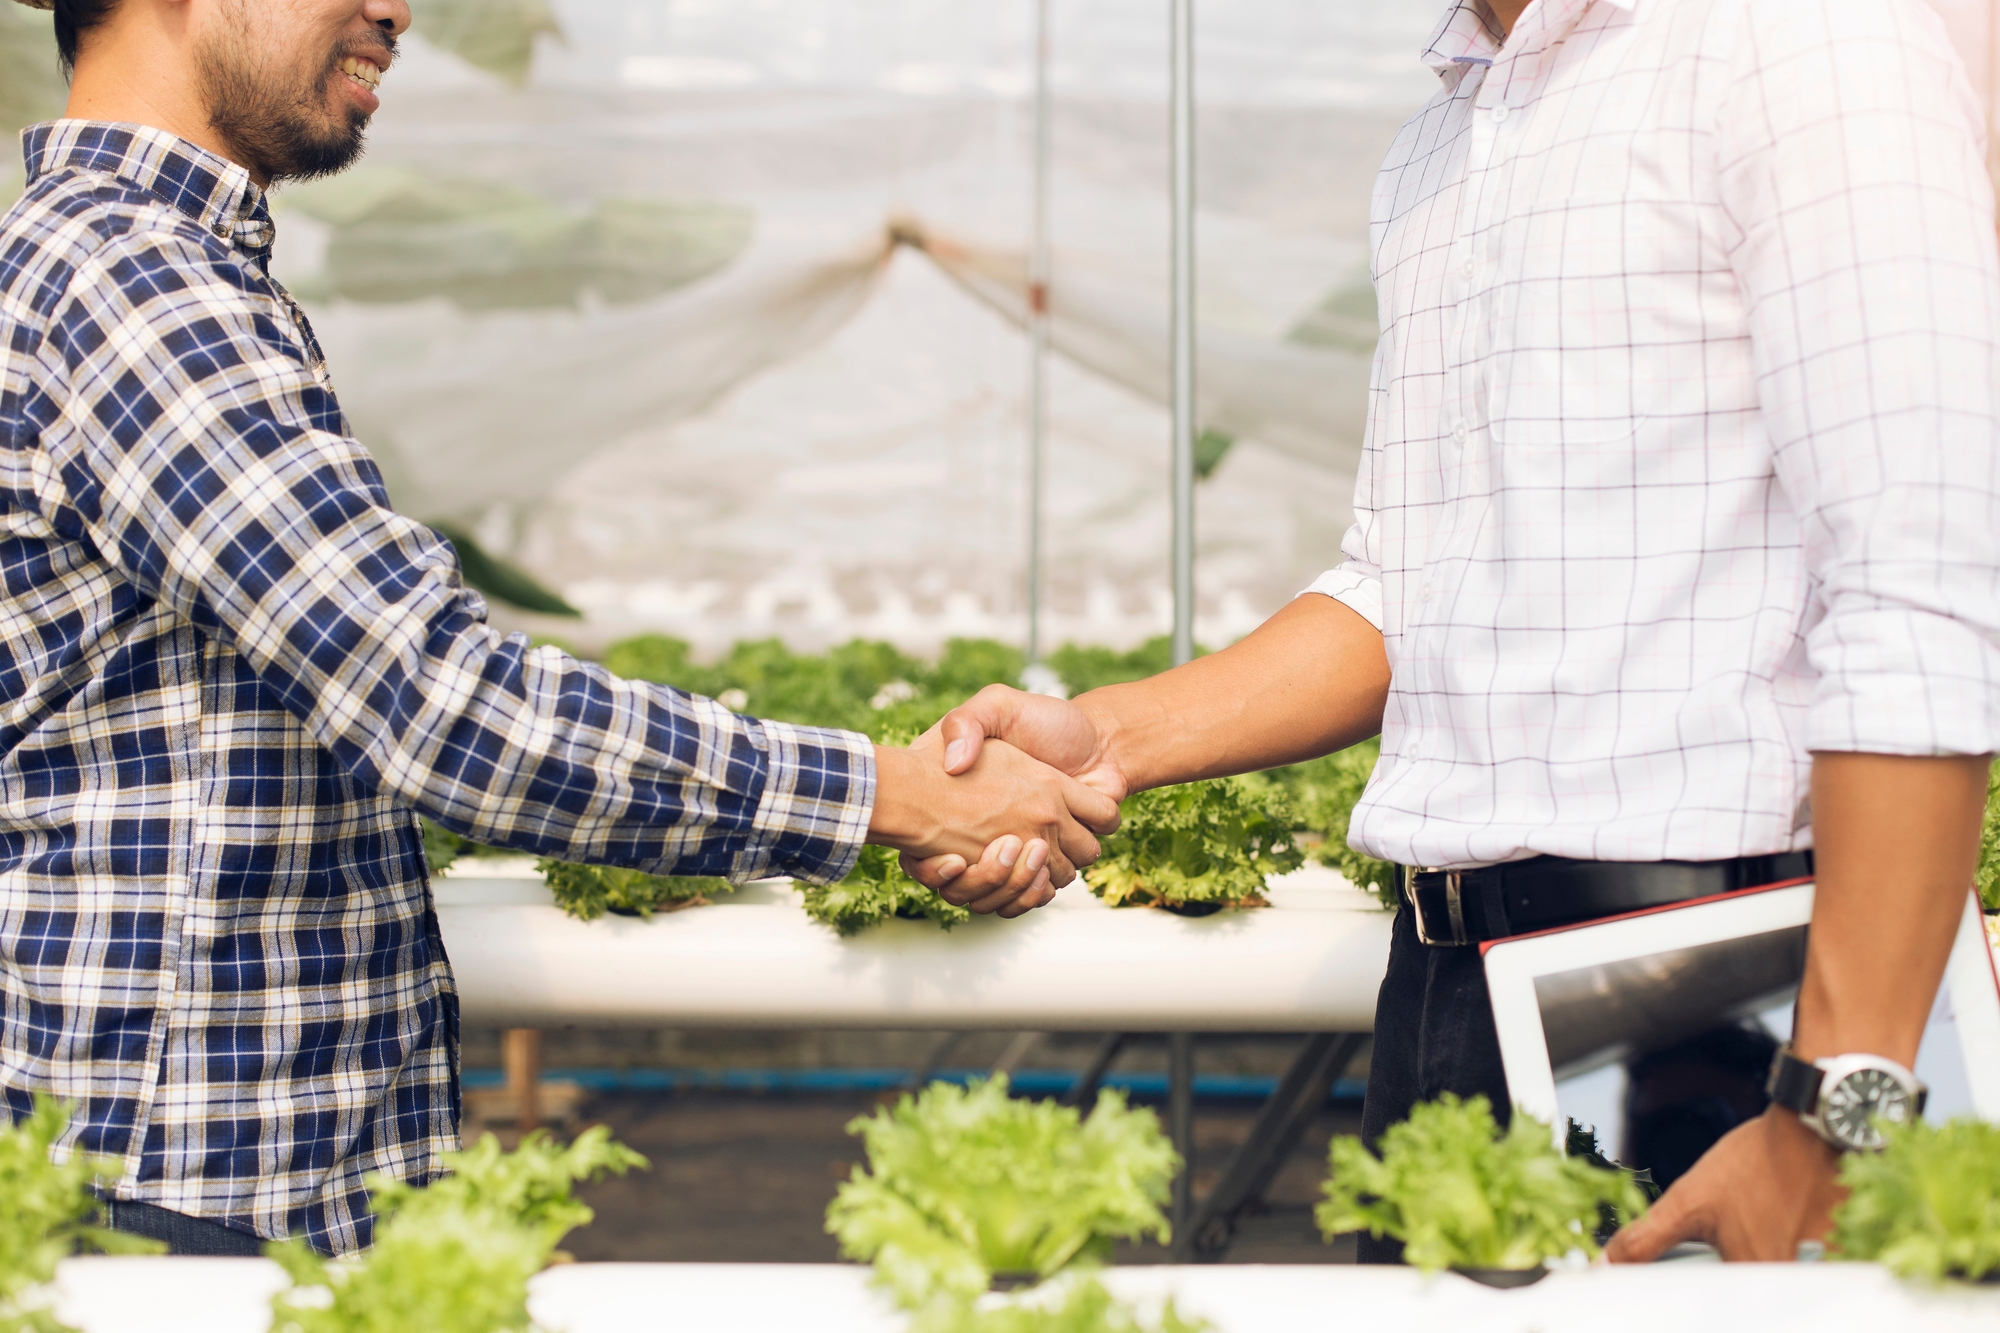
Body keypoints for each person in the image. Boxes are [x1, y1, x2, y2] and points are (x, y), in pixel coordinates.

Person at [0, 0, 1117, 1257]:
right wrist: (892, 794)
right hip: (188, 1184)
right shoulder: (133, 286)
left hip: (190, 1162)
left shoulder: (132, 267)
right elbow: (444, 706)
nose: (395, 10)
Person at [923, 0, 2000, 1263]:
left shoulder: (1805, 39)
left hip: (1737, 998)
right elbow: (1408, 584)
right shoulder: (1445, 138)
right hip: (1449, 986)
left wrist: (1837, 1106)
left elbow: (1918, 587)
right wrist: (1098, 739)